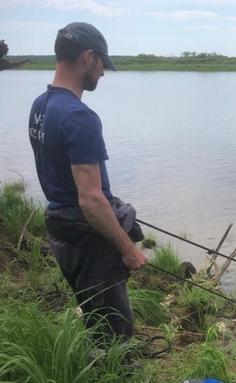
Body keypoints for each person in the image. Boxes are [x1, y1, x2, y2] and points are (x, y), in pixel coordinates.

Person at [28, 22, 147, 341]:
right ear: (88, 57)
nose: (103, 74)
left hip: (62, 231)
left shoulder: (40, 106)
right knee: (115, 333)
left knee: (96, 320)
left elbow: (63, 182)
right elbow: (91, 200)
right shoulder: (79, 117)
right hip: (88, 240)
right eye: (102, 65)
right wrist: (128, 251)